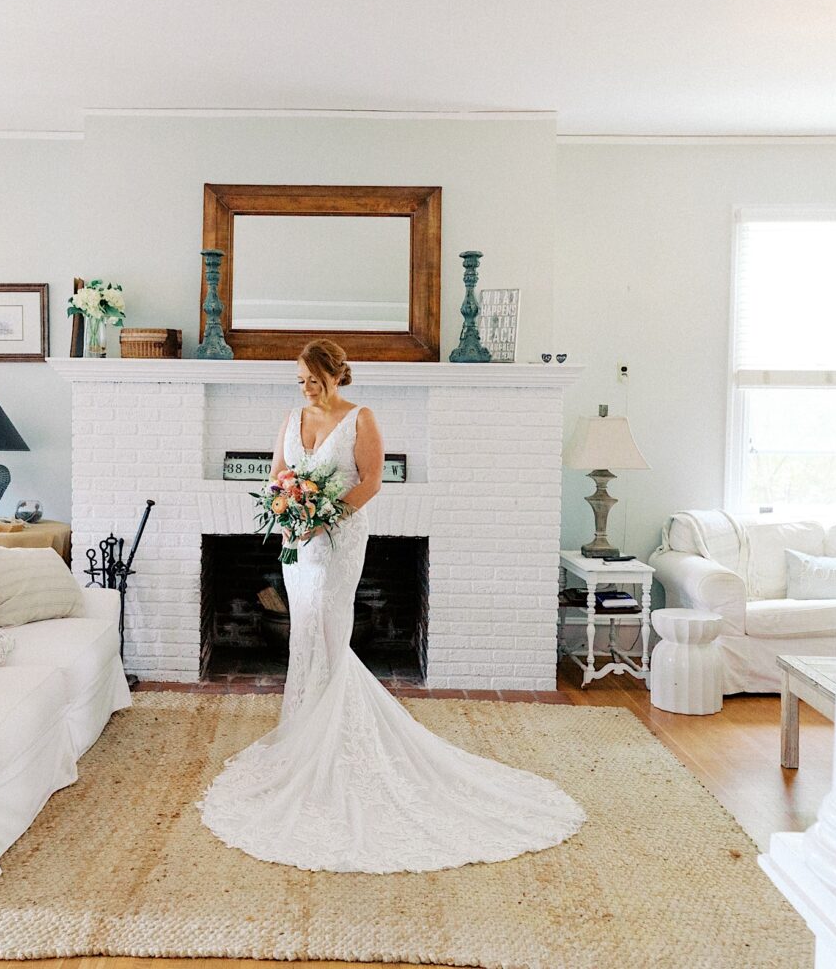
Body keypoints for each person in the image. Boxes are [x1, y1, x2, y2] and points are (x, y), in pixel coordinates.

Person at [196, 338, 585, 873]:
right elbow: (276, 476)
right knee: (304, 631)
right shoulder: (291, 417)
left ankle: (339, 745)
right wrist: (288, 509)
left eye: (315, 379)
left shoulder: (361, 418)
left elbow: (372, 482)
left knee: (330, 629)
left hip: (337, 542)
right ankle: (305, 736)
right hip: (296, 545)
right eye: (301, 381)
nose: (307, 388)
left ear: (336, 374)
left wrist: (322, 516)